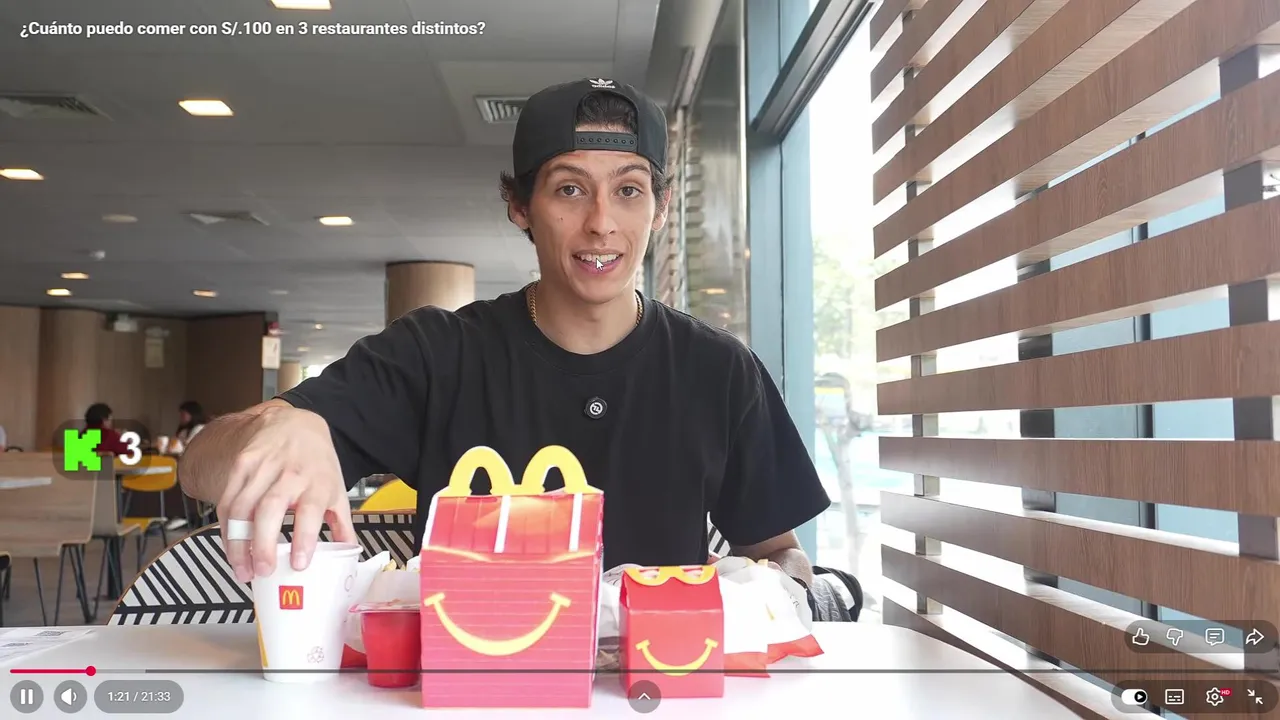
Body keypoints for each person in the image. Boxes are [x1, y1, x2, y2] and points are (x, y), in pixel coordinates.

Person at [179, 78, 831, 588]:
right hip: (474, 681)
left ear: (661, 208)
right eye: (569, 189)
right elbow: (197, 464)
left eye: (629, 191)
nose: (602, 222)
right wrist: (284, 426)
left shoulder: (717, 369)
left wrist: (783, 594)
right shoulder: (437, 354)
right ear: (520, 205)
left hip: (660, 686)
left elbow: (777, 553)